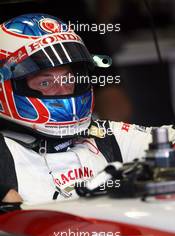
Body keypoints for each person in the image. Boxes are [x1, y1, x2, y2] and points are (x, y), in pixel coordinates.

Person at [0, 13, 175, 205]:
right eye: (46, 82)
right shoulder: (5, 152)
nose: (62, 88)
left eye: (67, 78)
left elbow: (168, 140)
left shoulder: (105, 136)